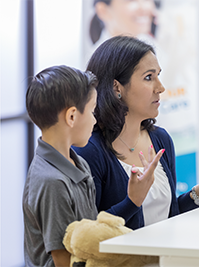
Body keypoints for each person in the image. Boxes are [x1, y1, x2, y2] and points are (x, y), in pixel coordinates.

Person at [74, 36, 199, 230]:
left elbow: (167, 215)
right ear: (117, 88)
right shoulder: (89, 150)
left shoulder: (160, 139)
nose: (161, 88)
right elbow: (86, 234)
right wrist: (132, 202)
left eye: (158, 75)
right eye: (149, 77)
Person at [23, 65, 163, 267]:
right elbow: (66, 260)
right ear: (72, 116)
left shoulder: (77, 163)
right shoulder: (51, 181)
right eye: (91, 111)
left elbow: (91, 234)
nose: (95, 119)